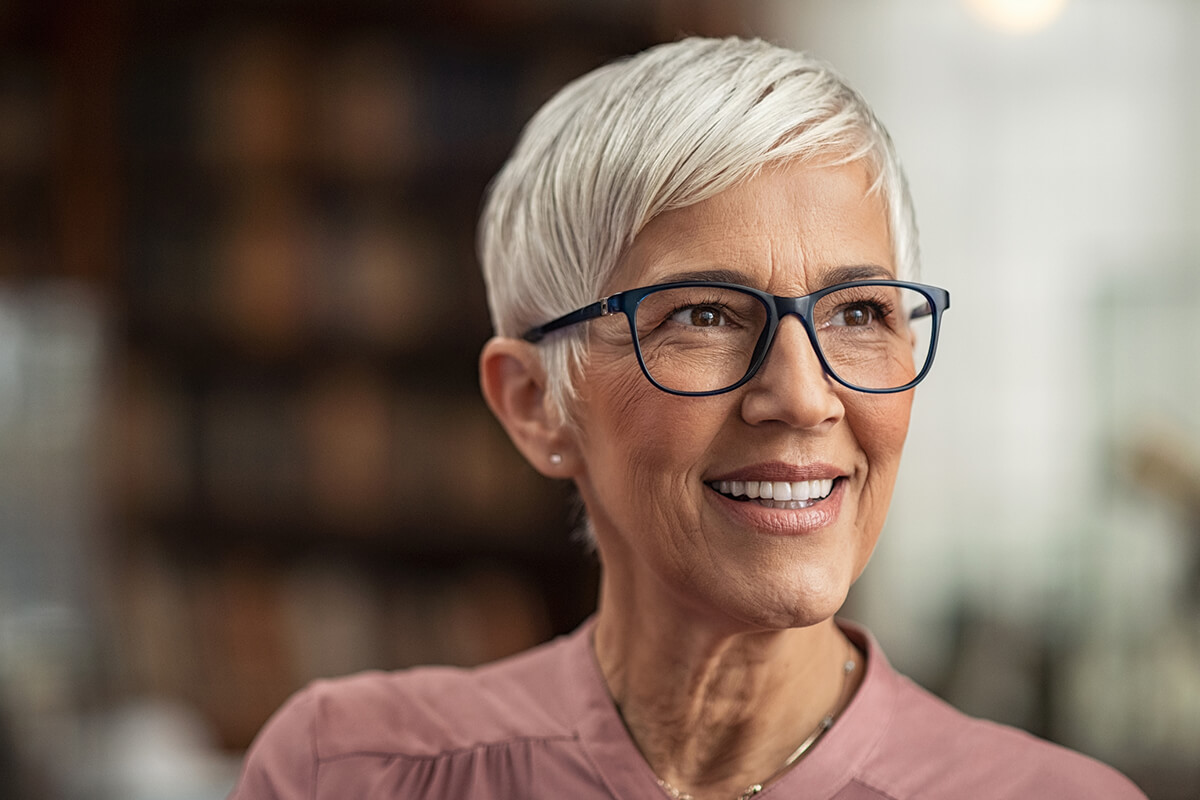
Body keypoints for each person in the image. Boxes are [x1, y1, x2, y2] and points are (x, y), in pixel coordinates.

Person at [229, 37, 1146, 799]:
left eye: (859, 314)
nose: (802, 395)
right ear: (534, 403)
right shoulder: (341, 773)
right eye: (704, 315)